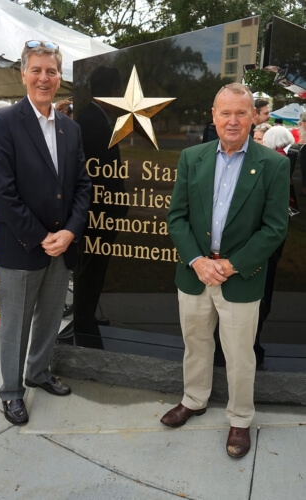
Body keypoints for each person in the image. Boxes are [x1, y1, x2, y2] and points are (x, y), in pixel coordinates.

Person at [160, 83, 290, 459]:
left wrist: (232, 265)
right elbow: (177, 217)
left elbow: (275, 228)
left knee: (239, 354)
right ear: (214, 117)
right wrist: (198, 261)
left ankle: (240, 419)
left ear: (253, 116)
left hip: (240, 277)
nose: (232, 121)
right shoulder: (192, 157)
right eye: (225, 113)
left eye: (240, 113)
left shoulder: (274, 165)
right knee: (196, 344)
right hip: (195, 273)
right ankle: (194, 399)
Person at [0, 40, 92, 425]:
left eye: (51, 71)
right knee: (15, 325)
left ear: (59, 77)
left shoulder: (70, 128)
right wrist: (40, 236)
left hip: (62, 246)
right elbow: (1, 191)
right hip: (22, 245)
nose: (44, 78)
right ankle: (12, 391)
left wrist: (70, 233)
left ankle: (38, 371)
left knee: (48, 318)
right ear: (24, 74)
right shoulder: (4, 122)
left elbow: (82, 185)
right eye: (37, 70)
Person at [71, 66, 128, 349]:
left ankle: (88, 314)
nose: (120, 95)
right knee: (89, 268)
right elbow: (88, 175)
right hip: (96, 213)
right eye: (117, 90)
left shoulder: (99, 119)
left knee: (95, 268)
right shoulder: (90, 122)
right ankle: (83, 320)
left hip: (105, 211)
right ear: (109, 92)